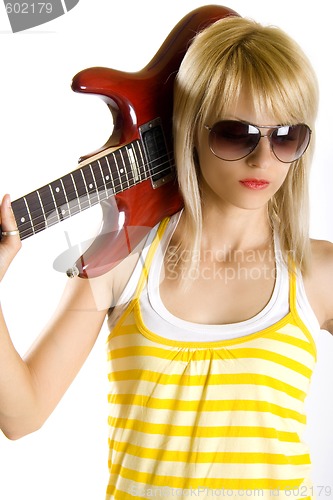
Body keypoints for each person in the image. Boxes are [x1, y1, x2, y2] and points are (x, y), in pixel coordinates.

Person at [0, 12, 332, 500]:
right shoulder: (122, 260)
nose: (263, 160)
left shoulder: (318, 272)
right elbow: (21, 416)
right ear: (190, 130)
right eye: (235, 134)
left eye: (286, 136)